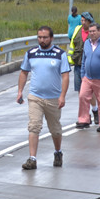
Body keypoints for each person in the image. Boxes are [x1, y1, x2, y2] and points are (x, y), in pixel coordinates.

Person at [17, 26, 70, 170]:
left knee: (55, 130)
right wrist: (20, 91)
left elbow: (65, 76)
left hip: (53, 98)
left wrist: (62, 96)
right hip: (35, 97)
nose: (42, 40)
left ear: (51, 38)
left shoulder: (60, 54)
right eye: (39, 37)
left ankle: (58, 152)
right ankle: (32, 158)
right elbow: (24, 72)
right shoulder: (31, 53)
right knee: (34, 126)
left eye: (45, 37)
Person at [67, 11, 99, 124]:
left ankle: (95, 110)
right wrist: (70, 60)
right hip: (78, 64)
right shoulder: (77, 30)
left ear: (89, 21)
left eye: (84, 20)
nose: (82, 22)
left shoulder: (95, 31)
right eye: (81, 20)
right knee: (81, 93)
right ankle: (85, 117)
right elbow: (72, 45)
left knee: (90, 92)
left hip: (90, 66)